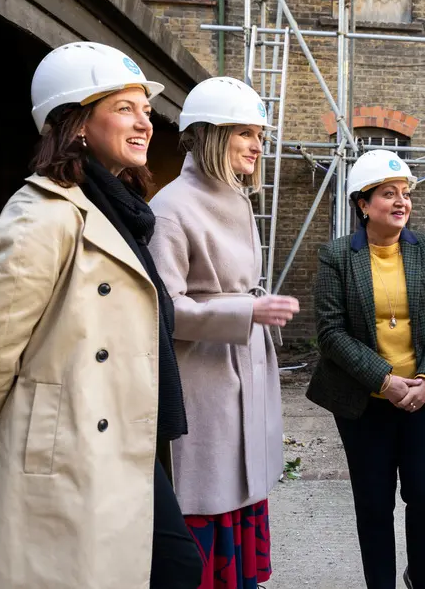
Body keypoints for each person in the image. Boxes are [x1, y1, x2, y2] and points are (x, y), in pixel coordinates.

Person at [0, 42, 202, 588]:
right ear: (78, 124)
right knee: (156, 567)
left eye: (145, 110)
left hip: (118, 424)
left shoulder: (121, 208)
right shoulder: (43, 211)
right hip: (71, 435)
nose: (145, 123)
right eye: (124, 109)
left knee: (167, 565)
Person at [148, 76, 300, 589]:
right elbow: (162, 309)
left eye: (260, 134)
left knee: (245, 489)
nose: (258, 145)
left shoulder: (237, 199)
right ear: (211, 135)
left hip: (243, 366)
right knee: (210, 494)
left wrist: (250, 312)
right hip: (204, 378)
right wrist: (246, 313)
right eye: (244, 133)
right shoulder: (170, 208)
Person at [307, 149, 425, 589]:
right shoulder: (337, 256)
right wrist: (385, 381)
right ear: (363, 203)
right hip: (364, 401)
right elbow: (331, 332)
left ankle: (420, 576)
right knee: (374, 504)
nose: (400, 202)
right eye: (388, 193)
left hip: (423, 397)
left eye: (405, 194)